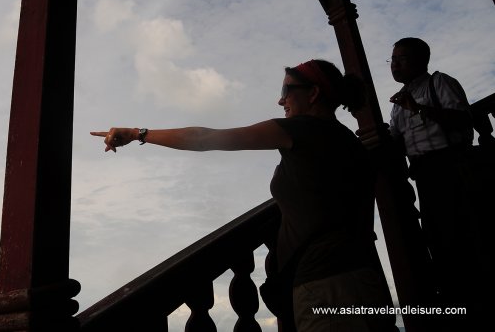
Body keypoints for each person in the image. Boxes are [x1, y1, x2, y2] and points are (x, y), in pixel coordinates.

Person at [93, 59, 396, 332]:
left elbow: (204, 138)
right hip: (364, 279)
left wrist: (137, 133)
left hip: (328, 287)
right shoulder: (349, 142)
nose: (281, 100)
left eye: (287, 90)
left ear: (313, 93)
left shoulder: (303, 130)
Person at [388, 37, 486, 318]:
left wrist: (419, 108)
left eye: (401, 59)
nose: (394, 65)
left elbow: (463, 119)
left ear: (421, 60)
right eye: (392, 60)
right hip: (424, 175)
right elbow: (396, 140)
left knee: (465, 234)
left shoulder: (438, 82)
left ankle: (476, 300)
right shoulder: (398, 103)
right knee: (438, 238)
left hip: (452, 167)